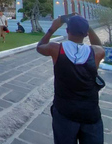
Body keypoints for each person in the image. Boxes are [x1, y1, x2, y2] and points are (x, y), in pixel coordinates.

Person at [37, 15, 105, 144]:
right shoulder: (96, 53)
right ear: (85, 34)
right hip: (90, 111)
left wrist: (52, 29)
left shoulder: (56, 48)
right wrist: (87, 27)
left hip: (64, 110)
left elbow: (40, 46)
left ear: (67, 31)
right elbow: (99, 46)